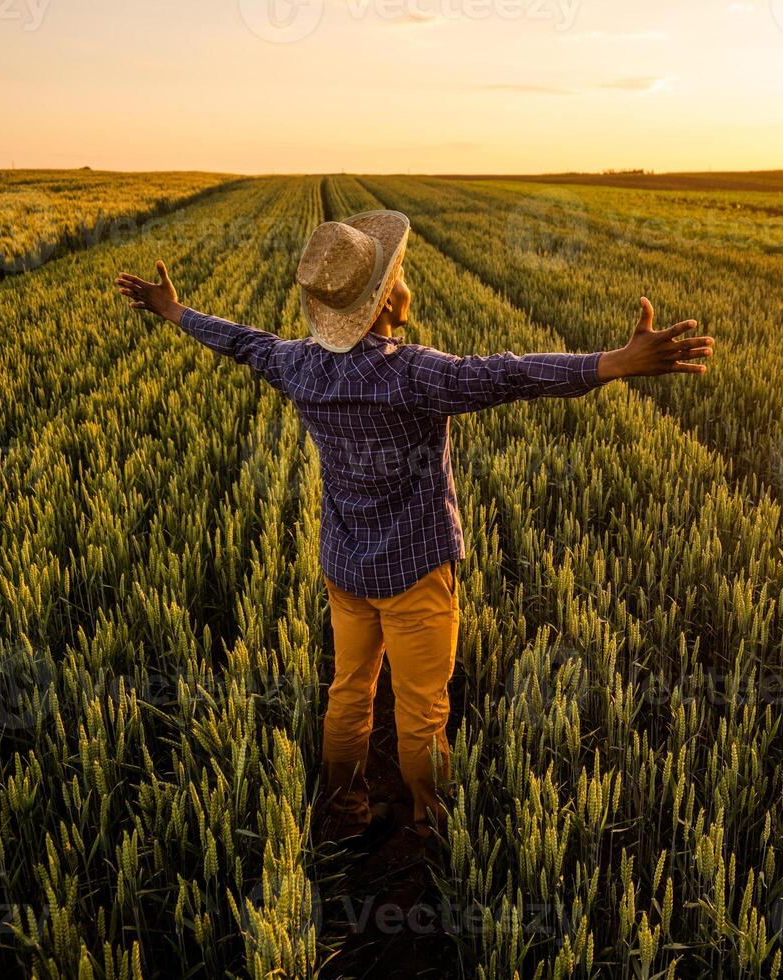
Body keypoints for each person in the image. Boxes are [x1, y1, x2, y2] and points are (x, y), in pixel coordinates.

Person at [114, 209, 715, 851]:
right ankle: (432, 825)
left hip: (346, 564)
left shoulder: (298, 365)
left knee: (349, 691)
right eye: (397, 276)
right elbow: (508, 375)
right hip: (416, 571)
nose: (406, 284)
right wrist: (615, 362)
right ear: (380, 305)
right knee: (422, 710)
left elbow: (241, 341)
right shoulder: (412, 373)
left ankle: (344, 810)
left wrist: (175, 312)